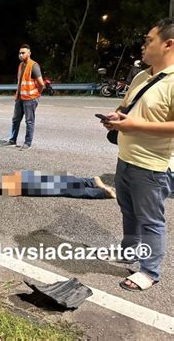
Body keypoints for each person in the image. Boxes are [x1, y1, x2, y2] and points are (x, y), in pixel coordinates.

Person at [101, 17, 174, 292]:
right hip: (126, 158)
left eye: (148, 40)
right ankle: (129, 251)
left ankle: (150, 270)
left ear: (169, 44)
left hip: (152, 165)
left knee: (151, 220)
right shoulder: (142, 76)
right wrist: (117, 117)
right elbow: (128, 109)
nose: (143, 46)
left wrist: (133, 125)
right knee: (128, 212)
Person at [0, 171, 116, 208]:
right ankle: (92, 183)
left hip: (24, 183)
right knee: (61, 182)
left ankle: (98, 189)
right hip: (23, 180)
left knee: (62, 186)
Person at [2, 44, 45, 150]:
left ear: (29, 53)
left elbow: (41, 84)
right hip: (20, 98)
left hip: (30, 98)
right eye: (20, 53)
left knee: (29, 121)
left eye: (23, 53)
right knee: (15, 120)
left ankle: (28, 143)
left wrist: (36, 95)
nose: (21, 55)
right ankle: (12, 140)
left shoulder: (33, 65)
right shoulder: (21, 65)